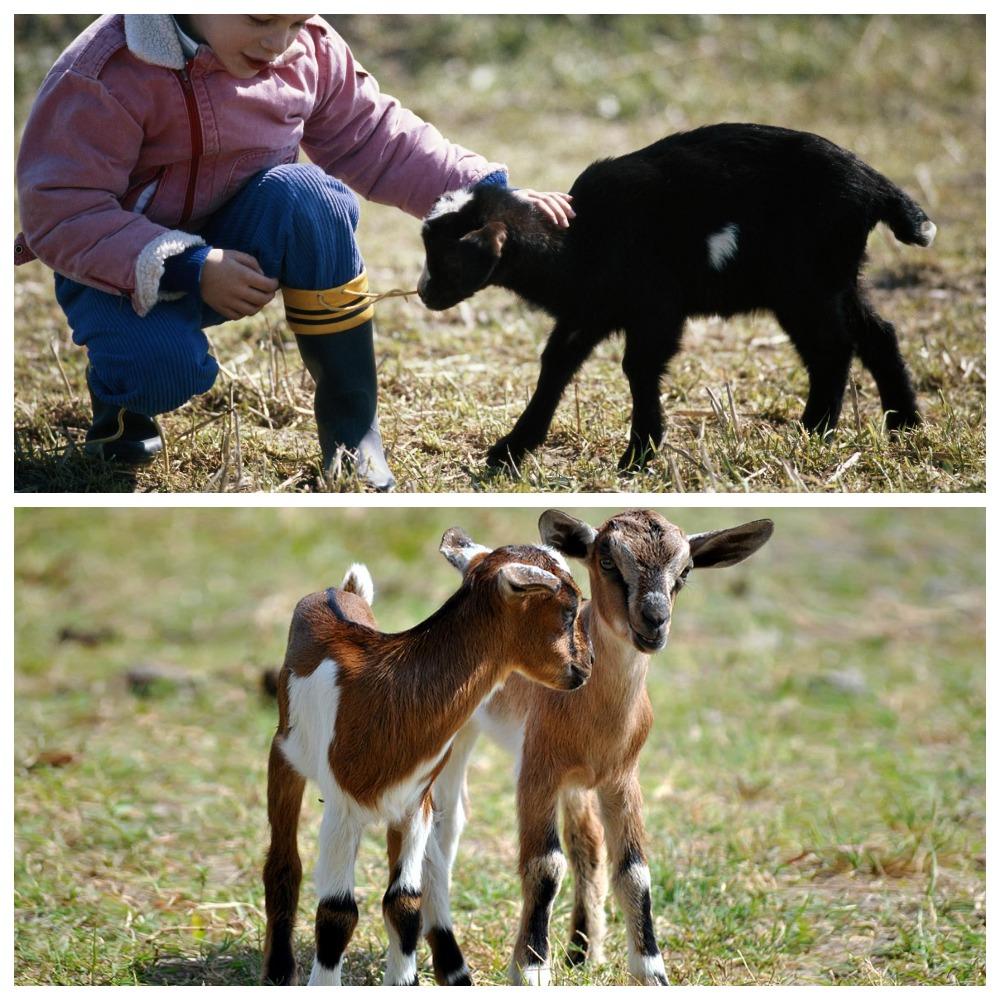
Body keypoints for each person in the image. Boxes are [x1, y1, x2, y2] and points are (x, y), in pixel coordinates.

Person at [15, 14, 574, 490]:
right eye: (260, 20)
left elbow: (377, 135)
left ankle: (352, 428)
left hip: (243, 237)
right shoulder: (105, 72)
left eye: (296, 20)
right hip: (119, 264)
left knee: (314, 199)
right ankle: (122, 409)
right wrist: (189, 264)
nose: (279, 42)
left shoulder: (306, 50)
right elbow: (62, 209)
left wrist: (488, 194)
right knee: (163, 370)